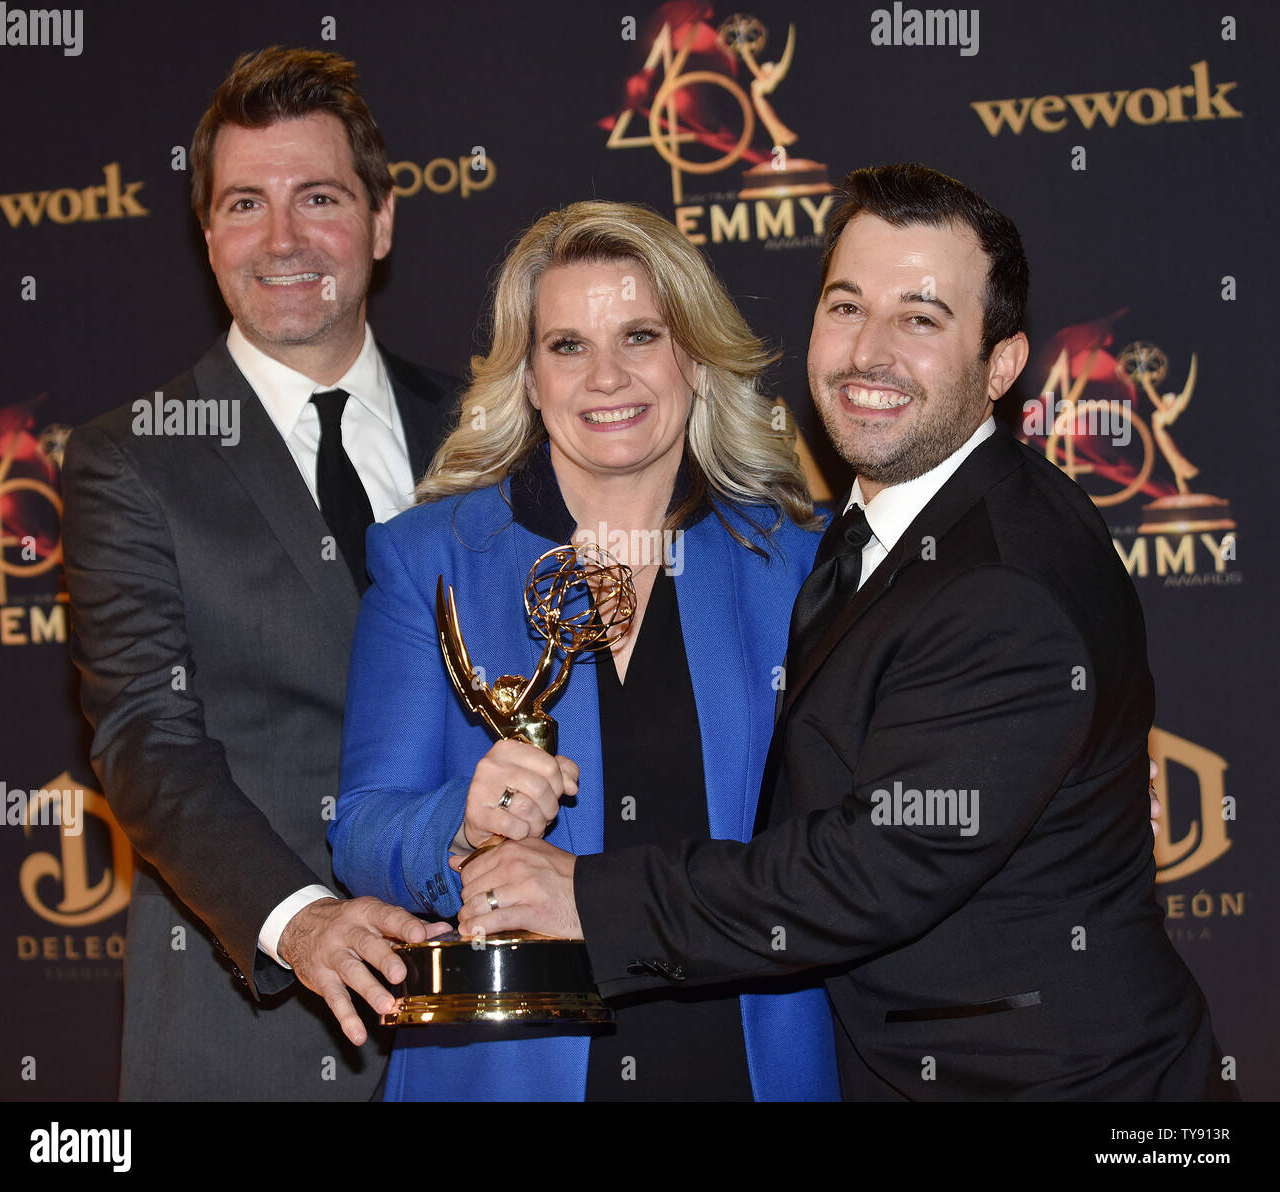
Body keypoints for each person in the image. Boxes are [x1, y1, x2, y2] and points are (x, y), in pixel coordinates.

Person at [457, 165, 1231, 1100]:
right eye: (847, 305)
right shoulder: (873, 527)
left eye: (921, 318)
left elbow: (871, 868)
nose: (869, 352)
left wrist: (588, 897)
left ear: (1002, 365)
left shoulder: (1005, 584)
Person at [329, 199, 840, 1101]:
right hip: (512, 1069)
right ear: (527, 377)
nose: (606, 376)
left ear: (692, 355)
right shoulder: (431, 559)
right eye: (567, 346)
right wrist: (461, 820)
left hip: (745, 1060)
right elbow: (364, 830)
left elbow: (858, 836)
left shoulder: (798, 559)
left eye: (640, 335)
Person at [61, 47, 457, 1101]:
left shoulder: (485, 431)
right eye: (245, 203)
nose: (281, 240)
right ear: (208, 236)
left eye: (317, 198)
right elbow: (145, 735)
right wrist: (302, 917)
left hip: (491, 1028)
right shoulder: (132, 457)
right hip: (255, 1036)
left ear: (379, 221)